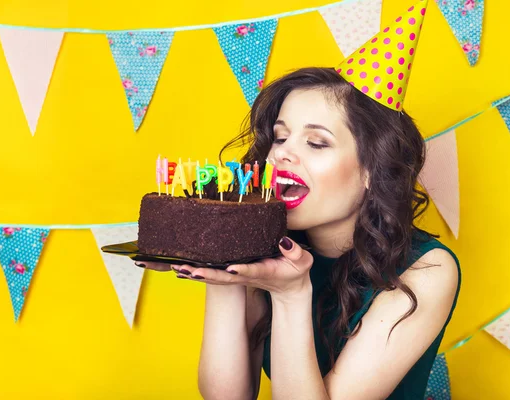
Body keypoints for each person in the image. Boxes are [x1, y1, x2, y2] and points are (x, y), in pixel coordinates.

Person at [140, 0, 461, 398]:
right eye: (280, 136)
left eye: (315, 142)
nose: (282, 154)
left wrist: (291, 294)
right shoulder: (264, 247)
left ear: (370, 171)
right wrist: (220, 270)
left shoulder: (427, 271)